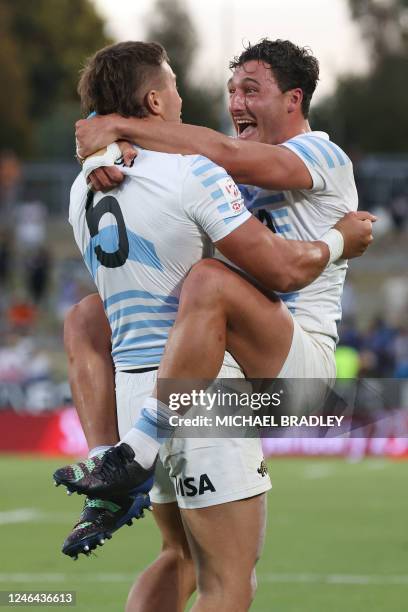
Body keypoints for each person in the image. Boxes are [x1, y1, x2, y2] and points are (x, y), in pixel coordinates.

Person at [58, 39, 373, 612]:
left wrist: (113, 132)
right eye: (230, 91)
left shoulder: (322, 155)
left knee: (206, 280)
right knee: (189, 562)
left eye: (251, 89)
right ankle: (126, 455)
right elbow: (204, 153)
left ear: (294, 100)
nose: (235, 102)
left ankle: (131, 448)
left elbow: (218, 151)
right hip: (212, 371)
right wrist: (111, 143)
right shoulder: (196, 169)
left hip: (296, 373)